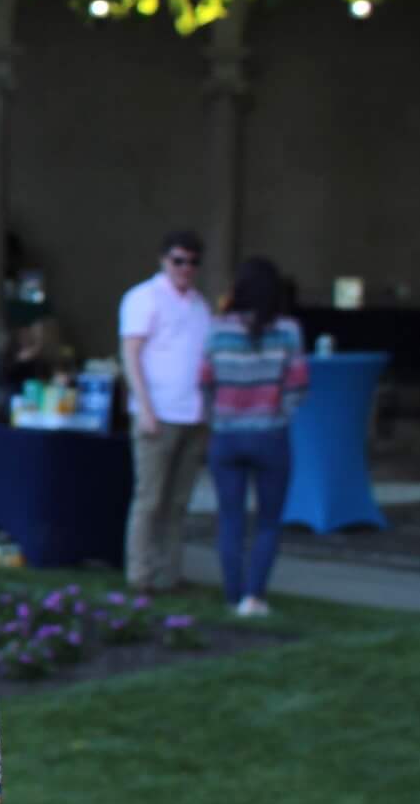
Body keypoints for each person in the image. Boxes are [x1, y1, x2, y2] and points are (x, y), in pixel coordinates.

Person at [201, 256, 309, 617]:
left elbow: (204, 380)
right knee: (267, 521)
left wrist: (216, 416)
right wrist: (279, 415)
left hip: (226, 435)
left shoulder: (217, 330)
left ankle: (233, 595)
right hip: (269, 435)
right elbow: (297, 384)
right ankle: (254, 597)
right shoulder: (289, 331)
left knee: (230, 519)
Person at [119, 229, 214, 591]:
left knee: (177, 502)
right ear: (164, 259)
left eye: (192, 262)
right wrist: (145, 407)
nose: (185, 268)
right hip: (157, 414)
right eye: (179, 260)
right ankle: (140, 575)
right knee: (150, 500)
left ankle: (169, 573)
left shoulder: (199, 305)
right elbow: (131, 354)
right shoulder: (144, 298)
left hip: (193, 414)